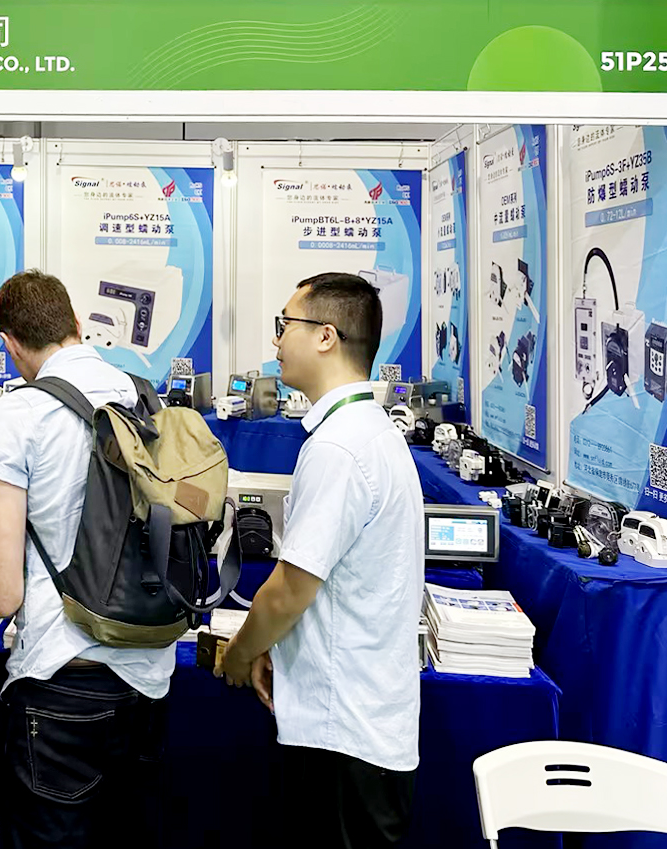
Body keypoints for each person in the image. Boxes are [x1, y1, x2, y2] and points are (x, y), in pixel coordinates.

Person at [215, 272, 423, 848]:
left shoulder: (338, 447)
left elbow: (290, 591)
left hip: (344, 733)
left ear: (326, 336)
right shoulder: (369, 432)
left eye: (285, 325)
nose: (277, 339)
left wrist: (242, 653)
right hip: (360, 723)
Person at [0, 269, 172, 849]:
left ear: (9, 344)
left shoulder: (16, 415)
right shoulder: (142, 397)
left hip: (63, 680)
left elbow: (2, 595)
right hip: (148, 674)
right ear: (77, 324)